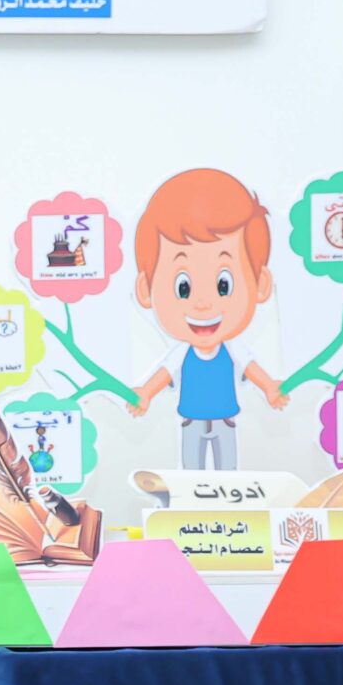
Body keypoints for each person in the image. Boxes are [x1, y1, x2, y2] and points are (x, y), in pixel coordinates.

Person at [127, 168, 290, 470]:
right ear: (146, 289)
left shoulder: (234, 349)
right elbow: (163, 373)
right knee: (192, 471)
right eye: (183, 287)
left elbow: (252, 368)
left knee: (227, 469)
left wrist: (269, 387)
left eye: (223, 285)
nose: (202, 303)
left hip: (226, 420)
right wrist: (145, 394)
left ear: (261, 284)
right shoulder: (180, 352)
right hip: (191, 421)